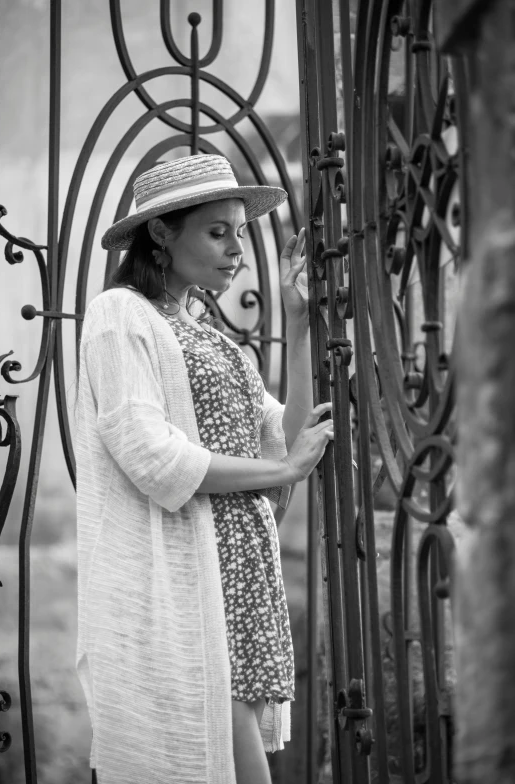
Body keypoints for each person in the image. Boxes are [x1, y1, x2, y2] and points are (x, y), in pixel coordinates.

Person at [75, 153, 333, 784]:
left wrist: (297, 327)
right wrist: (284, 472)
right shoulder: (121, 316)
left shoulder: (205, 333)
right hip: (189, 579)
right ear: (162, 232)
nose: (236, 250)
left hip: (238, 576)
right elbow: (153, 459)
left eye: (239, 233)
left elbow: (286, 440)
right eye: (217, 232)